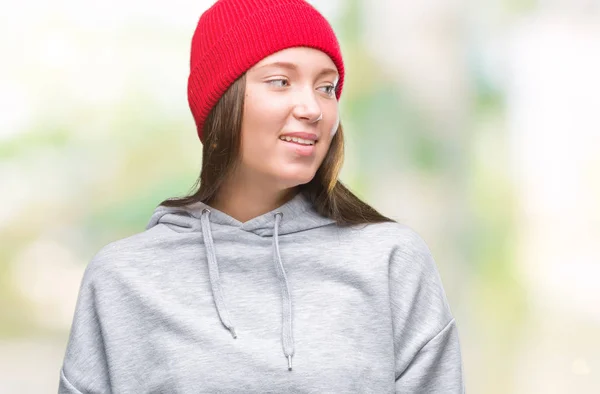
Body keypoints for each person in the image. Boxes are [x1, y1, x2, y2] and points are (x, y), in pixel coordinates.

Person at [58, 0, 465, 392]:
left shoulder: (391, 260)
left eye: (327, 87)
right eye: (280, 81)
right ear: (222, 100)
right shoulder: (123, 278)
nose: (313, 108)